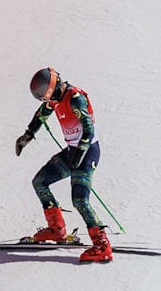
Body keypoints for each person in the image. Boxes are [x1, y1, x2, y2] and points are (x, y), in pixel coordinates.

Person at [15, 67, 112, 262]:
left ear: (52, 89)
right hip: (72, 152)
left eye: (46, 97)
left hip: (87, 153)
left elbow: (88, 129)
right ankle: (56, 230)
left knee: (80, 200)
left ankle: (102, 245)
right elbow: (42, 114)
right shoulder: (56, 98)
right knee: (40, 182)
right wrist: (28, 135)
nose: (47, 102)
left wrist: (81, 151)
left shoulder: (75, 98)